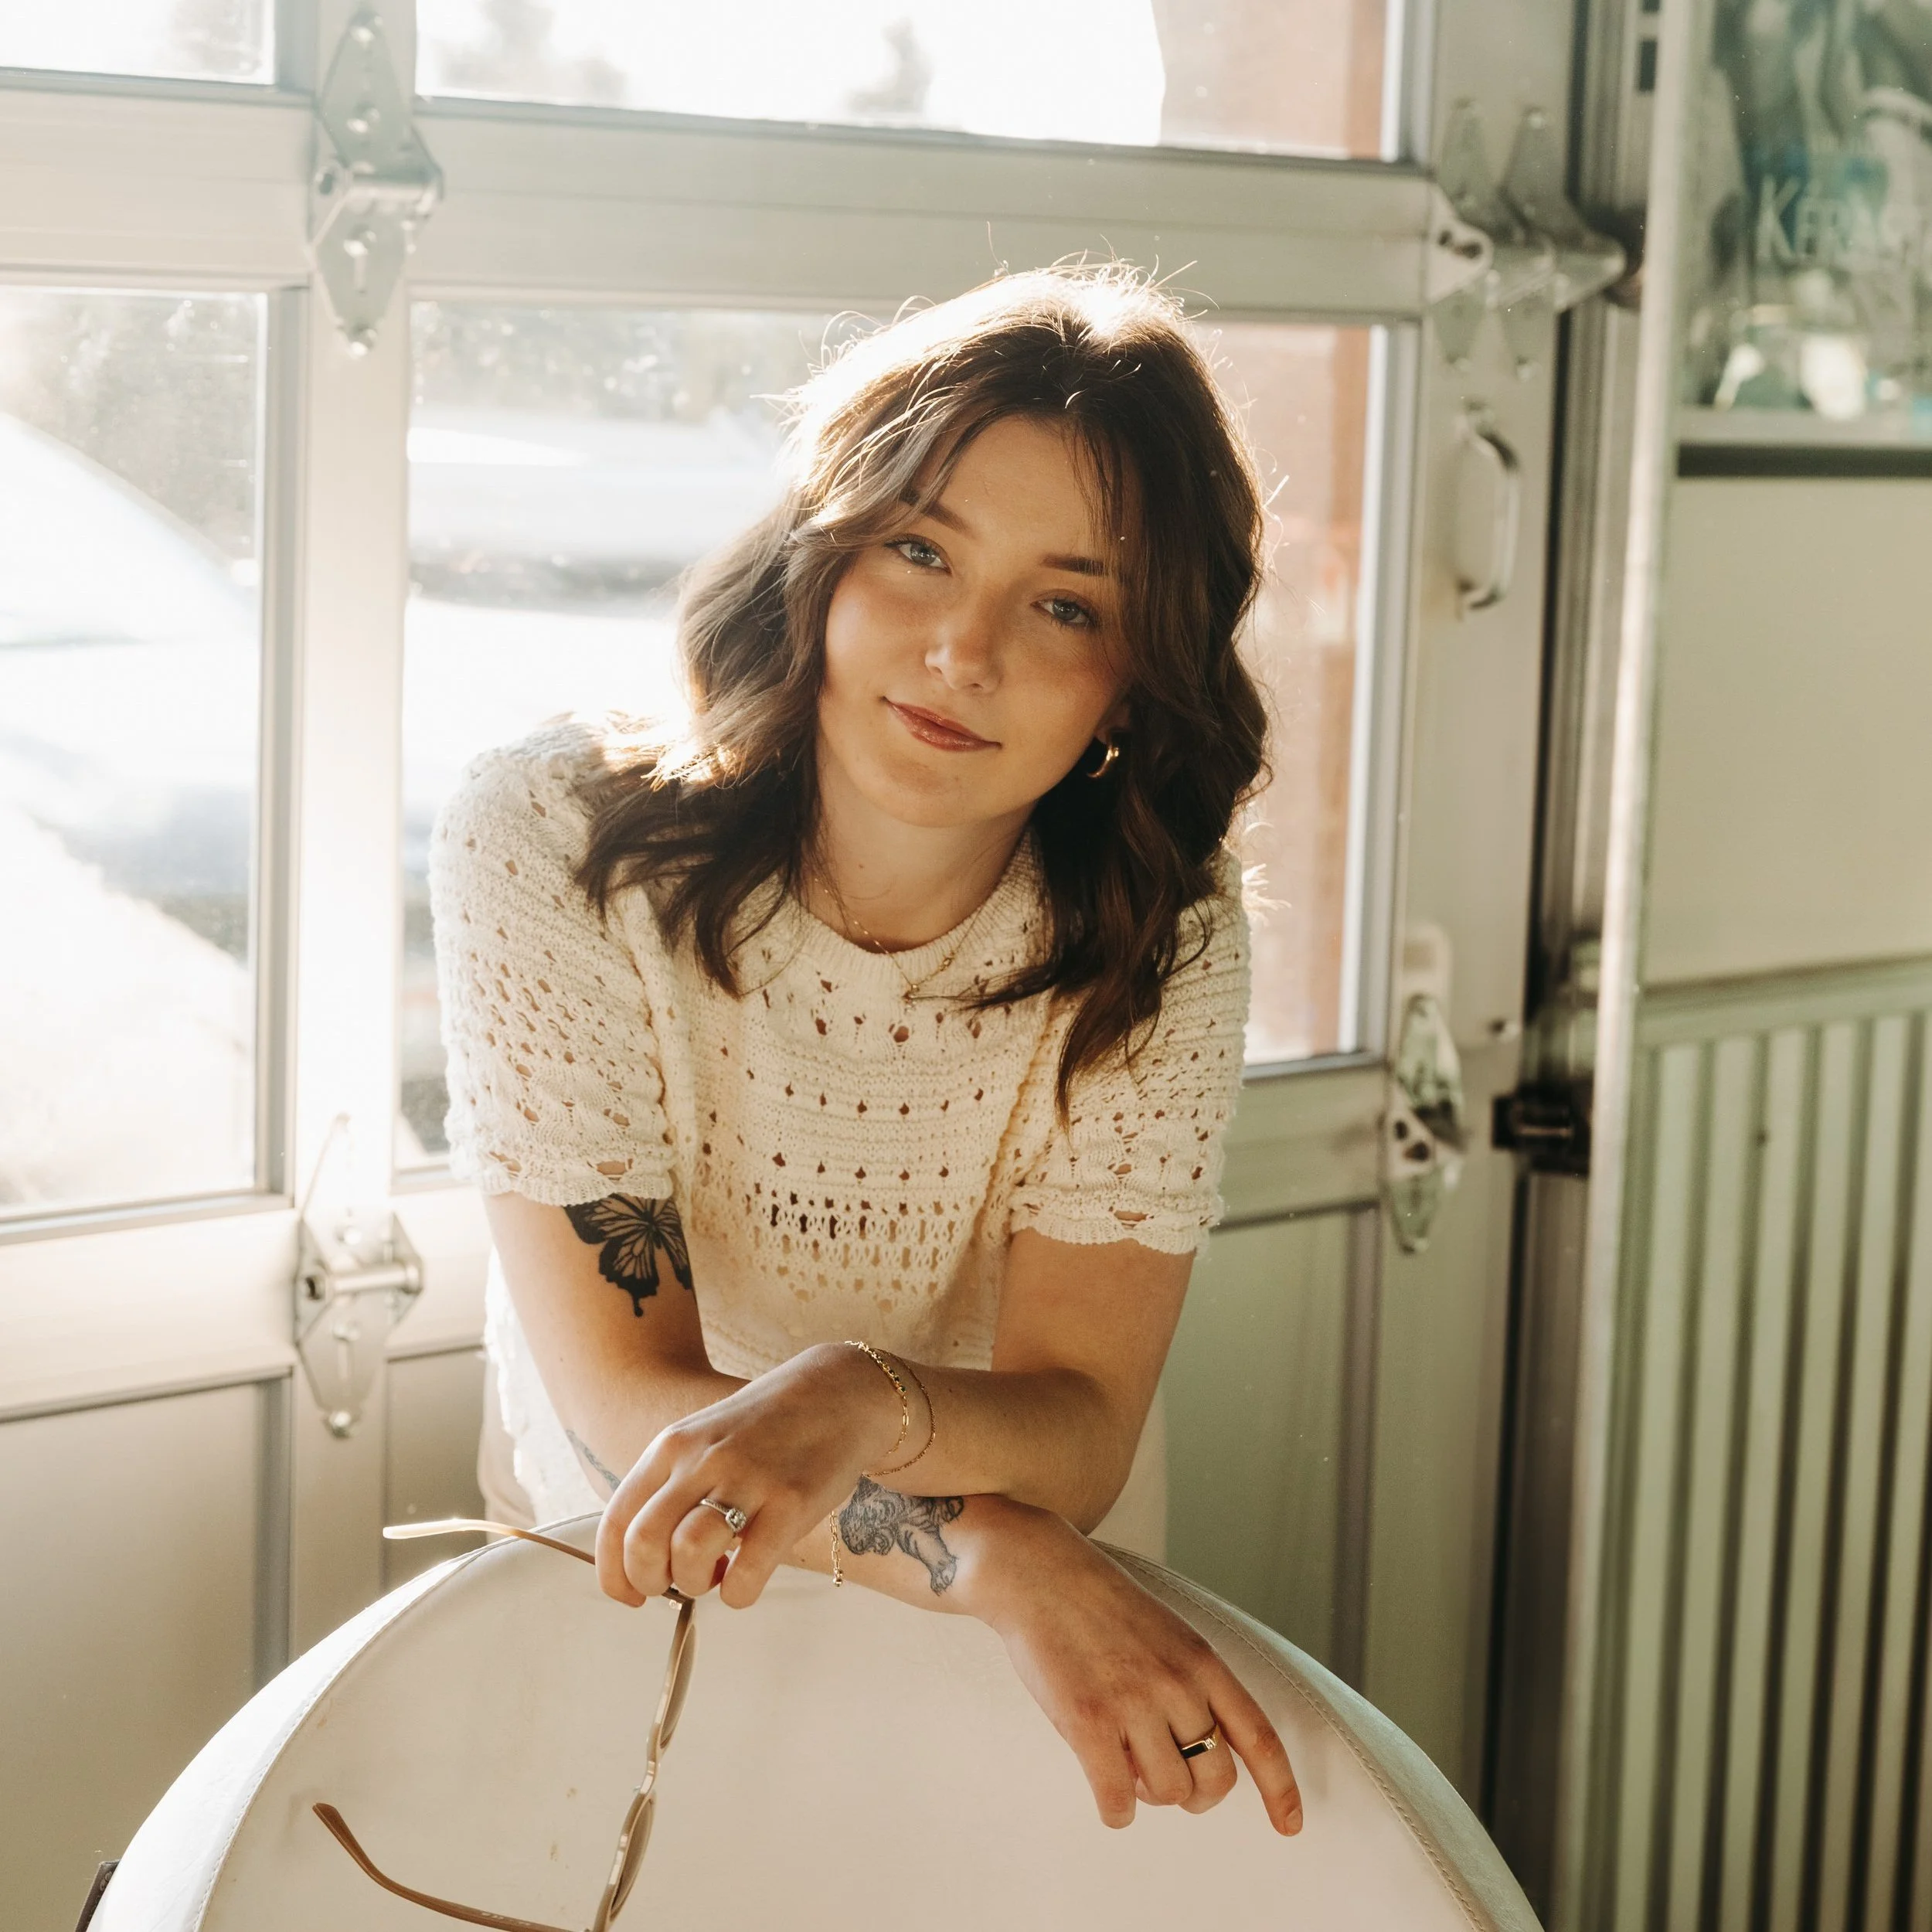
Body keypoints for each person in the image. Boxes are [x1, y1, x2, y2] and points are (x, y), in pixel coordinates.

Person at [430, 262, 1303, 1839]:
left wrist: (855, 1399)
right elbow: (633, 1392)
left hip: (1038, 1596)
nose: (959, 651)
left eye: (1063, 602)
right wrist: (979, 1544)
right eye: (917, 550)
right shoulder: (554, 841)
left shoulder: (1158, 918)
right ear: (814, 561)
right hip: (662, 1550)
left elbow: (1083, 1415)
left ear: (1133, 675)